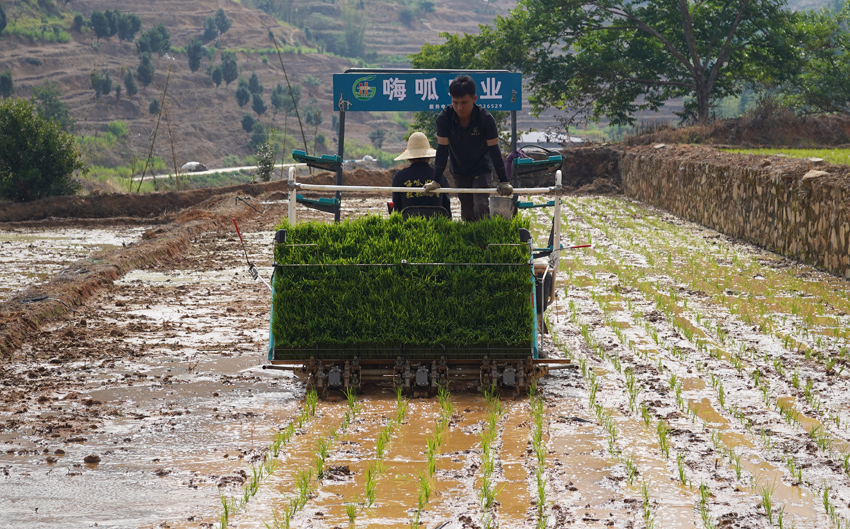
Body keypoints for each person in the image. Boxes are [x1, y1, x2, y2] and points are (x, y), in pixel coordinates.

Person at [426, 75, 513, 221]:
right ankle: (469, 240)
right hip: (459, 170)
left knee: (480, 205)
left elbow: (494, 151)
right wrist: (436, 180)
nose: (459, 107)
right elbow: (442, 150)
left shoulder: (485, 119)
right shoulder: (444, 118)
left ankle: (483, 239)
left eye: (464, 103)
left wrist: (504, 180)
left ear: (474, 99)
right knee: (466, 210)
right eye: (455, 103)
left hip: (482, 168)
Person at [390, 132, 451, 216]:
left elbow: (396, 206)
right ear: (429, 156)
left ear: (408, 158)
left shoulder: (398, 177)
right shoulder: (440, 177)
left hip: (408, 224)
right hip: (436, 224)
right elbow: (447, 206)